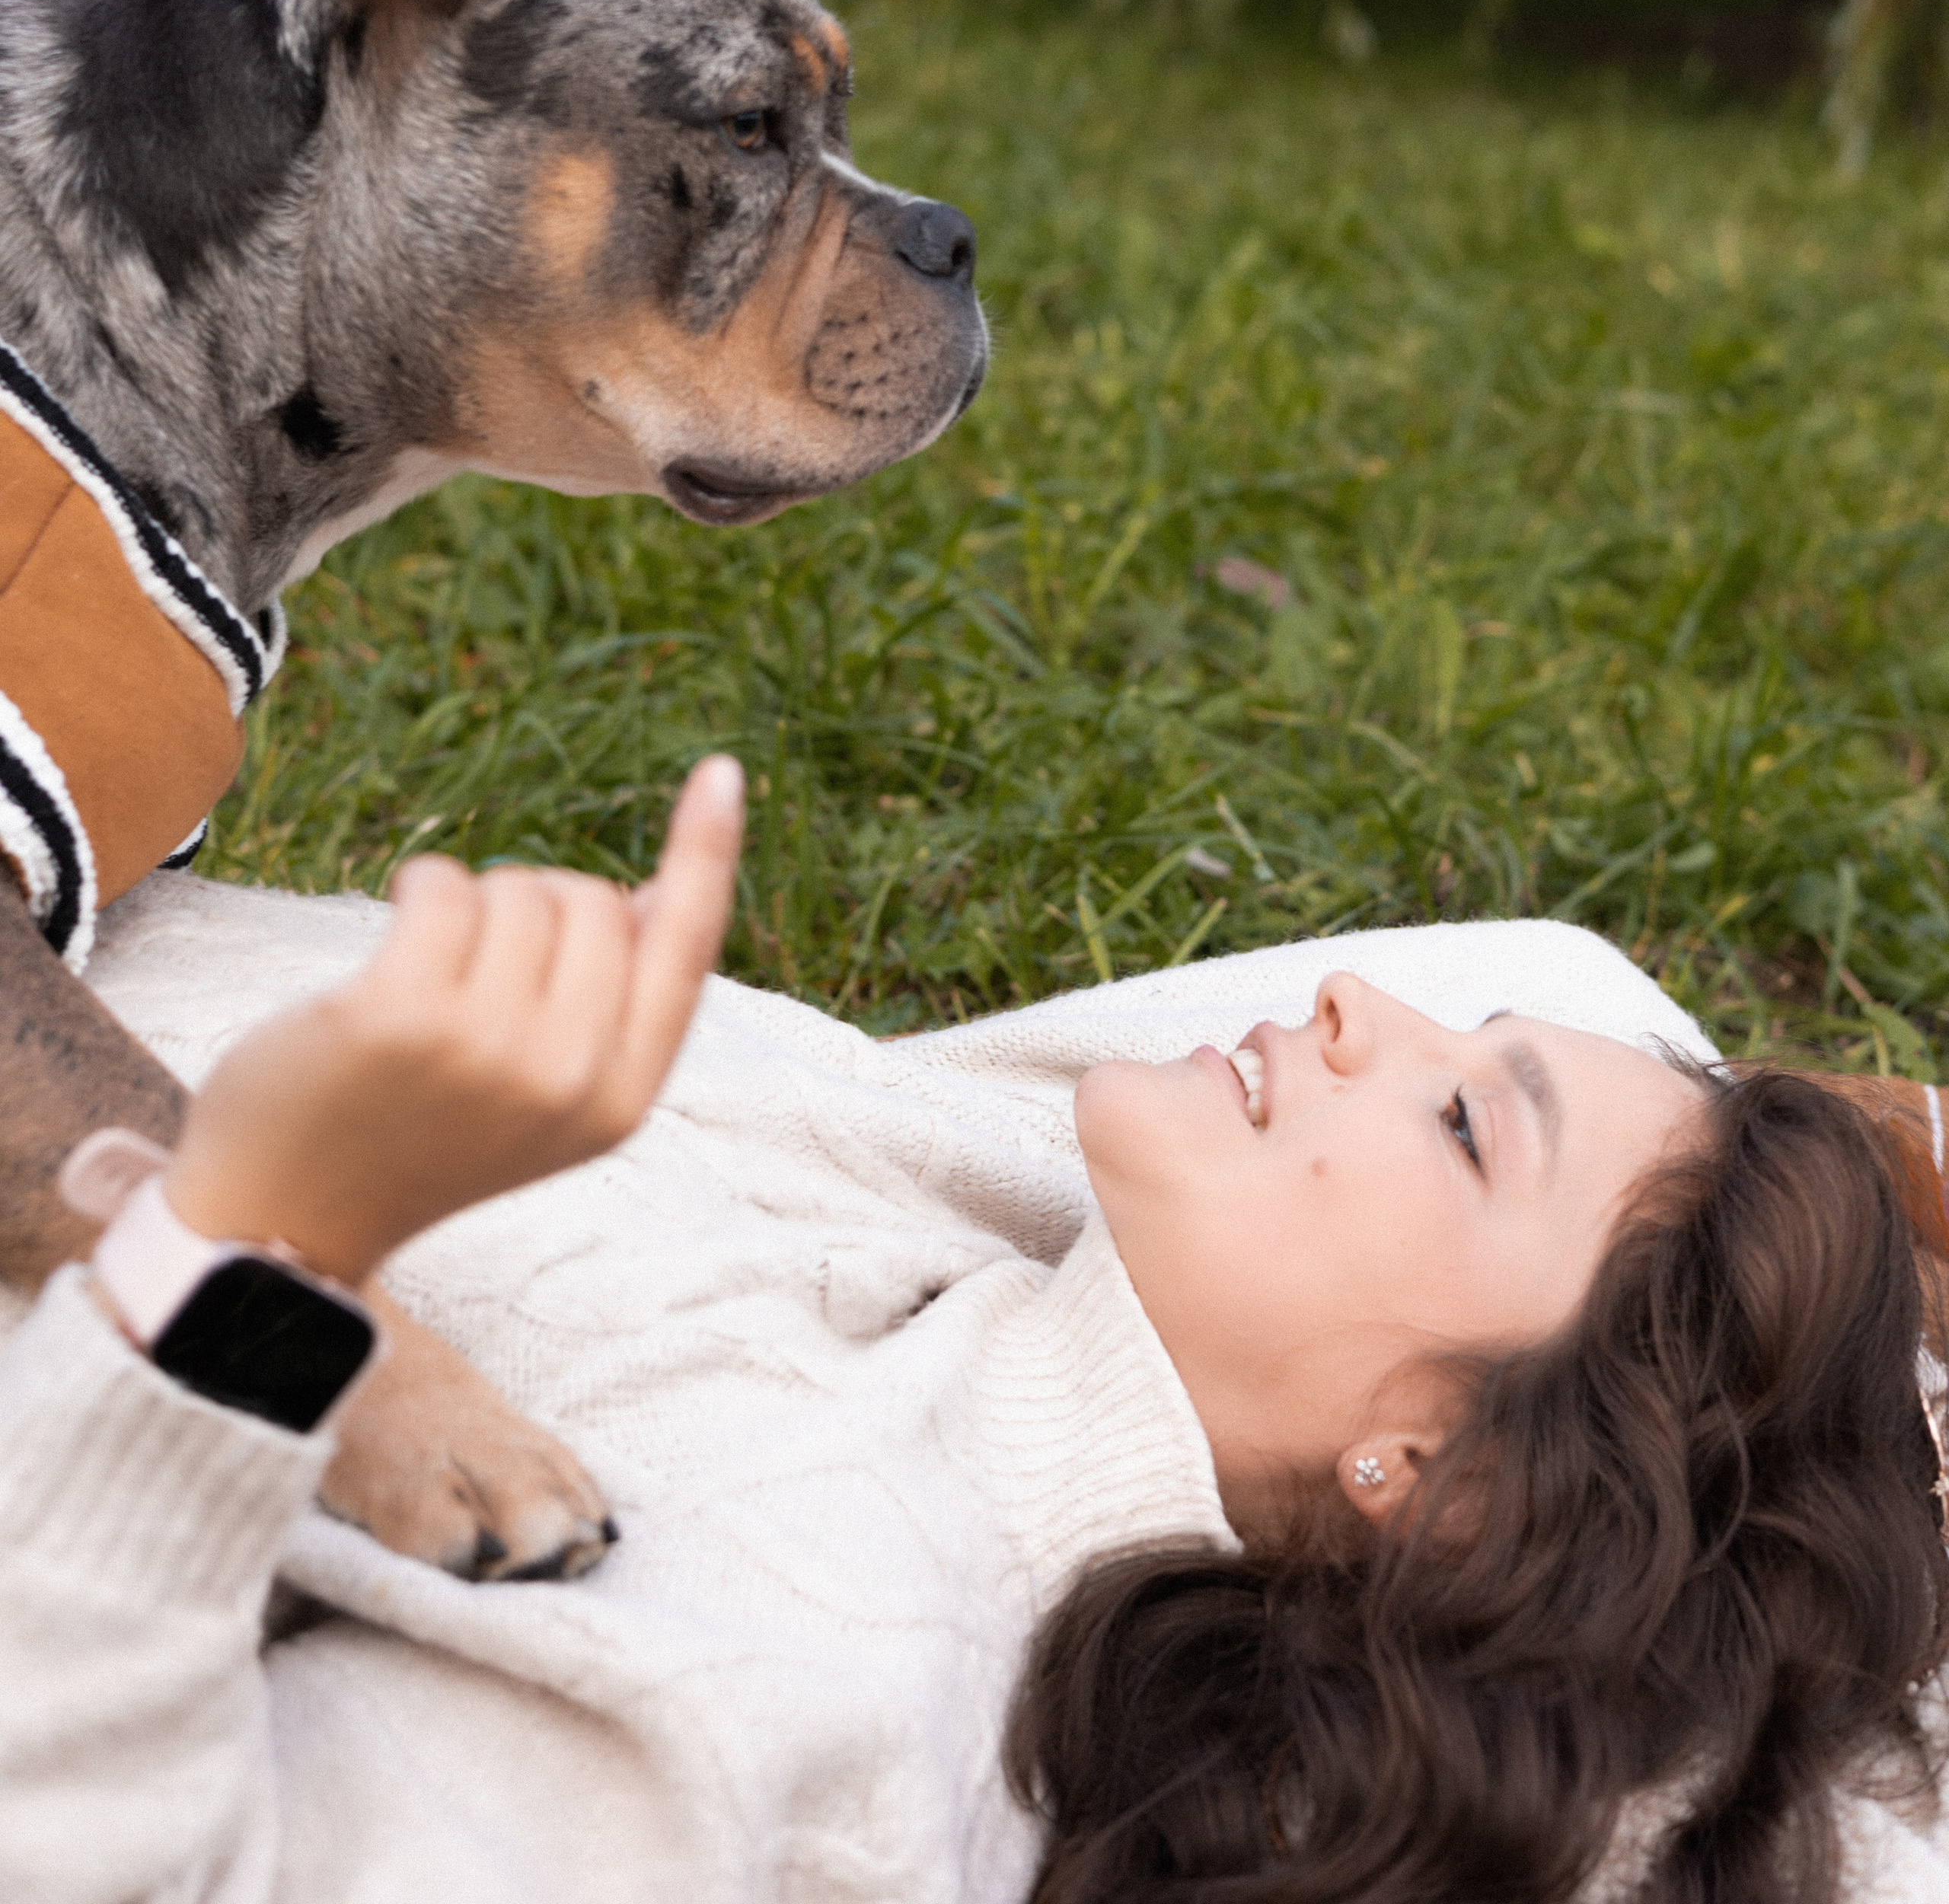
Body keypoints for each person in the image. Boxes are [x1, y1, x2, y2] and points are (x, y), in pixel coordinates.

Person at [0, 756, 1944, 1904]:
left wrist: (260, 1248)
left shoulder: (811, 1656)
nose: (1365, 999)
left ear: (1440, 1488)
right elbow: (1542, 979)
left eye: (1460, 1117)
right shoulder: (1027, 1219)